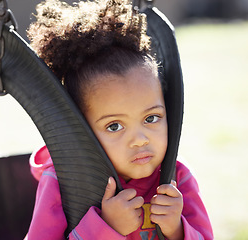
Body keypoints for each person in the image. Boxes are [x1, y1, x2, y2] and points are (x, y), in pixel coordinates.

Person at [25, 0, 213, 239]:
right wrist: (105, 228)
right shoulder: (64, 182)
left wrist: (177, 230)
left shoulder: (176, 177)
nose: (139, 140)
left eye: (151, 118)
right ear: (81, 130)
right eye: (114, 126)